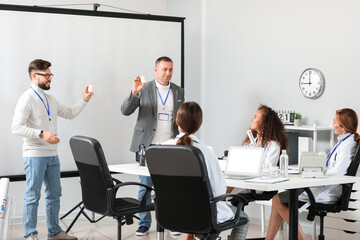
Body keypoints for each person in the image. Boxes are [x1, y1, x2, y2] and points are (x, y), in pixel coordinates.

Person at [12, 59, 94, 240]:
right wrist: (42, 134)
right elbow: (16, 127)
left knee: (54, 195)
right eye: (47, 75)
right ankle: (30, 234)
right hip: (34, 156)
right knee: (33, 196)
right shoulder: (26, 99)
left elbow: (70, 113)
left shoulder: (50, 99)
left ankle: (54, 232)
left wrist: (84, 100)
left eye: (51, 74)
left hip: (52, 156)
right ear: (35, 76)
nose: (50, 78)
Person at [265, 108, 360, 240]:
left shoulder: (347, 145)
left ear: (343, 126)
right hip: (324, 186)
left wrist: (317, 174)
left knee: (277, 200)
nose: (332, 124)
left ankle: (302, 239)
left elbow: (338, 173)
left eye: (334, 121)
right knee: (277, 200)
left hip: (327, 190)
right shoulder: (343, 141)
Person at [163, 102, 250, 240]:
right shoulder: (205, 152)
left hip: (170, 214)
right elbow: (219, 191)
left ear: (176, 121)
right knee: (243, 217)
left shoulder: (162, 148)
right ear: (200, 122)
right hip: (201, 215)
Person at [121, 56, 185, 236]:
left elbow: (181, 119)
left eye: (171, 69)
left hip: (170, 146)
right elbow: (125, 110)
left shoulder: (178, 91)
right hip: (146, 146)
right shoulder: (145, 87)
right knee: (145, 187)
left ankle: (169, 222)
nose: (168, 73)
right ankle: (144, 223)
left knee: (169, 188)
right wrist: (134, 93)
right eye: (164, 69)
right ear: (156, 70)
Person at [243, 105, 288, 170]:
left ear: (264, 121)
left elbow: (268, 167)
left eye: (255, 117)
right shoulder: (248, 143)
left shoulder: (273, 145)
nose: (251, 119)